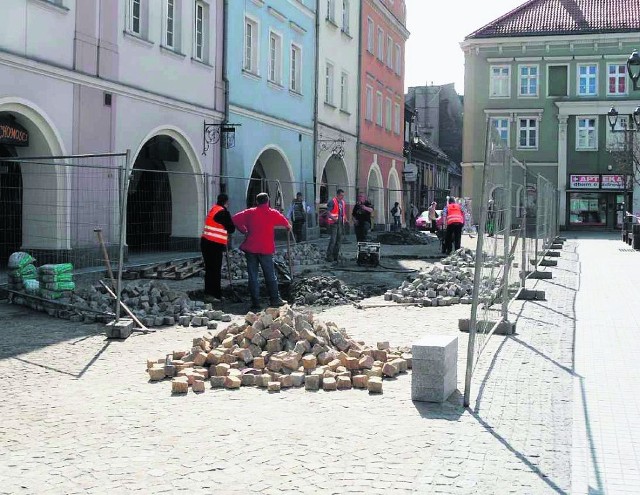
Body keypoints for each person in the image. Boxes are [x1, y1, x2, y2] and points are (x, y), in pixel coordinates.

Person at [232, 192, 291, 312]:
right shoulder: (272, 213)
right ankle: (275, 299)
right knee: (270, 274)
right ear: (268, 201)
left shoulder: (249, 212)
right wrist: (288, 227)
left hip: (251, 248)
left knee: (253, 276)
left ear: (256, 201)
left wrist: (244, 230)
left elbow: (234, 219)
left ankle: (256, 303)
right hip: (265, 249)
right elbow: (286, 224)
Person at [200, 193, 236, 304]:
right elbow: (231, 229)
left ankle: (213, 294)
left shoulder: (213, 209)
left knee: (210, 269)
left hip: (206, 242)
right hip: (214, 245)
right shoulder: (223, 212)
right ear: (226, 202)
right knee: (214, 270)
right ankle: (213, 294)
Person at [325, 189, 347, 262]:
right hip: (333, 223)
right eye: (341, 195)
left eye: (343, 195)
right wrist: (333, 218)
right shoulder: (332, 201)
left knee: (339, 240)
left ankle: (335, 255)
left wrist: (345, 219)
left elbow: (342, 212)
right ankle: (329, 255)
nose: (342, 197)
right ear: (337, 195)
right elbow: (328, 212)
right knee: (333, 240)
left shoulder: (342, 202)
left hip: (340, 223)